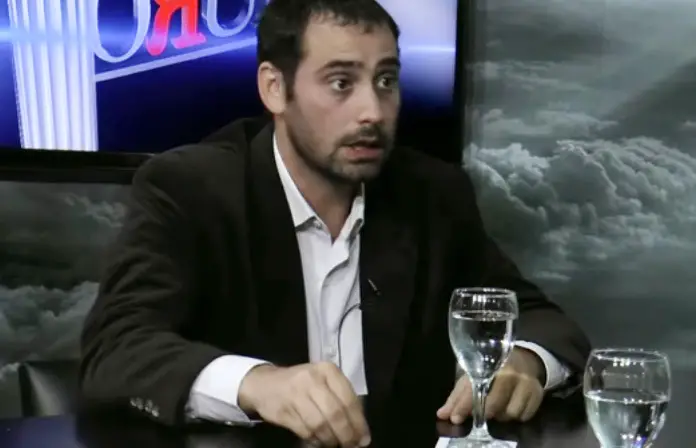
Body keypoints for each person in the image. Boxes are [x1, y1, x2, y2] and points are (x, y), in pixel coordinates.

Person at [78, 0, 591, 446]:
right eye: (341, 83)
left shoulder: (431, 194)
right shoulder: (190, 189)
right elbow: (117, 349)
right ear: (274, 89)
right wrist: (259, 384)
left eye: (386, 81)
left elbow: (537, 317)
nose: (373, 111)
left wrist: (524, 360)